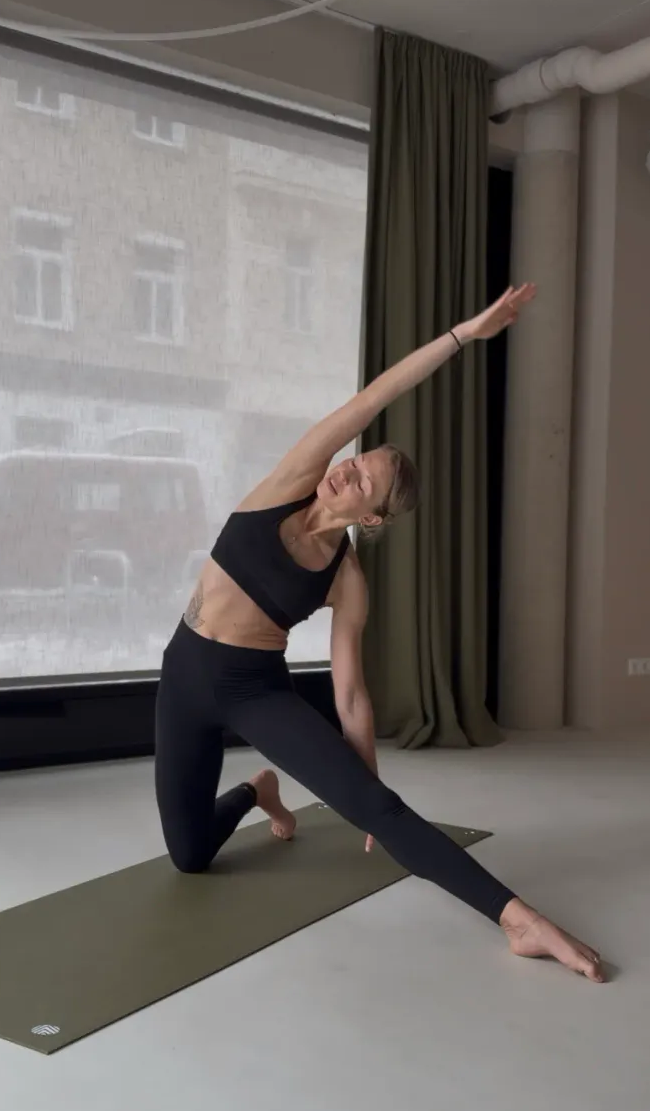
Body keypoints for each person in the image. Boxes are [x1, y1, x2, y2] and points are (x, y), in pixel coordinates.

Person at [155, 285, 604, 984]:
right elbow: (372, 397)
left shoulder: (347, 579)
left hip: (252, 691)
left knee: (380, 806)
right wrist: (462, 335)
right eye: (359, 458)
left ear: (374, 517)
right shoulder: (288, 484)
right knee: (188, 856)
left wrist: (363, 790)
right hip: (183, 673)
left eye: (365, 478)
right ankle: (255, 791)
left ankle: (519, 920)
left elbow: (352, 696)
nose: (349, 467)